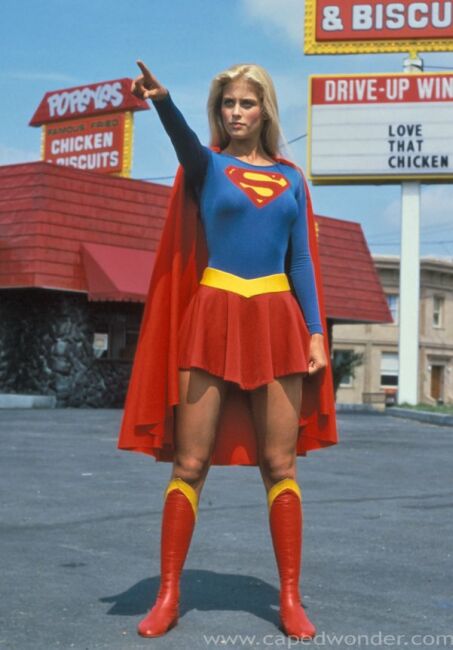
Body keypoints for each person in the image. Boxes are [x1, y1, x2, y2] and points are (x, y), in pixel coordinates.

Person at [117, 60, 338, 640]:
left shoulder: (292, 179)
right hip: (212, 315)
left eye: (246, 103)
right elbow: (185, 143)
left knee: (279, 465)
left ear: (264, 110)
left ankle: (289, 599)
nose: (236, 112)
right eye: (227, 104)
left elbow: (300, 261)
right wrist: (163, 102)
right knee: (190, 464)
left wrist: (315, 331)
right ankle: (168, 595)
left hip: (277, 320)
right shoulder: (208, 166)